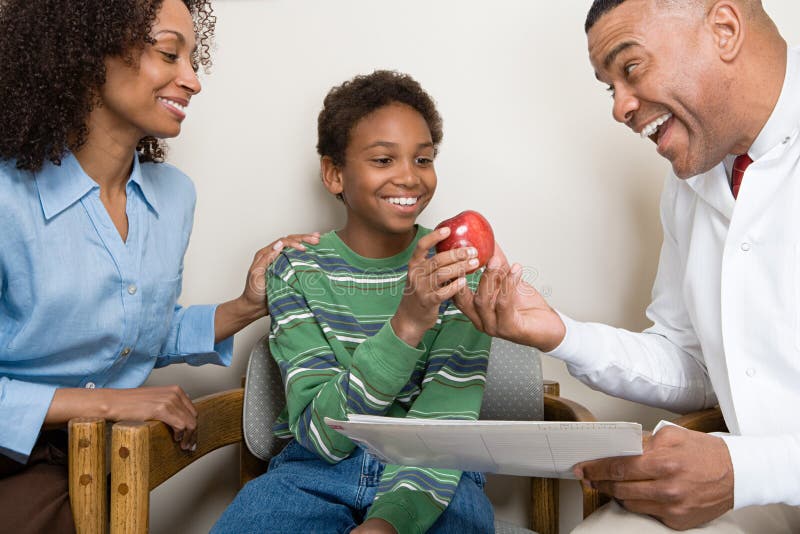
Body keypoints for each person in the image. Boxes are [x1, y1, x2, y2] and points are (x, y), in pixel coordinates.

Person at [454, 0, 800, 532]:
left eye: (630, 67)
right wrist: (559, 333)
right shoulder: (692, 180)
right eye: (607, 86)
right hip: (762, 495)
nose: (619, 108)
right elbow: (696, 367)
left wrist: (745, 469)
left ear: (725, 30)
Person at [0, 1, 317, 532]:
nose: (192, 80)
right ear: (84, 55)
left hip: (96, 458)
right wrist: (111, 404)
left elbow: (131, 331)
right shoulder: (8, 199)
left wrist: (245, 306)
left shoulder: (173, 198)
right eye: (170, 53)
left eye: (193, 59)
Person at [212, 70, 493, 534]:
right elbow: (323, 436)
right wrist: (405, 327)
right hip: (313, 473)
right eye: (384, 159)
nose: (409, 176)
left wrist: (389, 522)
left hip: (436, 477)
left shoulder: (457, 271)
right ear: (334, 173)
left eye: (423, 159)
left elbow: (445, 427)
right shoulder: (298, 271)